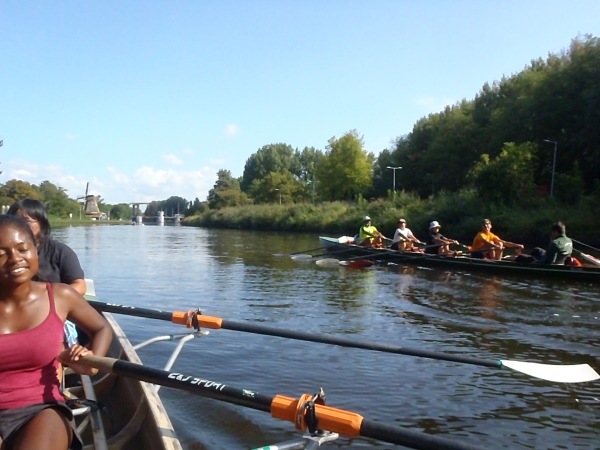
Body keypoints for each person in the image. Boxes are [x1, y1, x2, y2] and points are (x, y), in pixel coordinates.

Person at [0, 214, 112, 450]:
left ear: (35, 249)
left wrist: (92, 363)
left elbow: (101, 327)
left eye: (23, 249)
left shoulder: (60, 296)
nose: (14, 259)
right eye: (1, 253)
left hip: (41, 409)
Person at [7, 199, 86, 295]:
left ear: (42, 224)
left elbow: (80, 286)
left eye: (26, 221)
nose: (19, 226)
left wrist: (48, 299)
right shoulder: (4, 253)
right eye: (15, 221)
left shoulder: (60, 251)